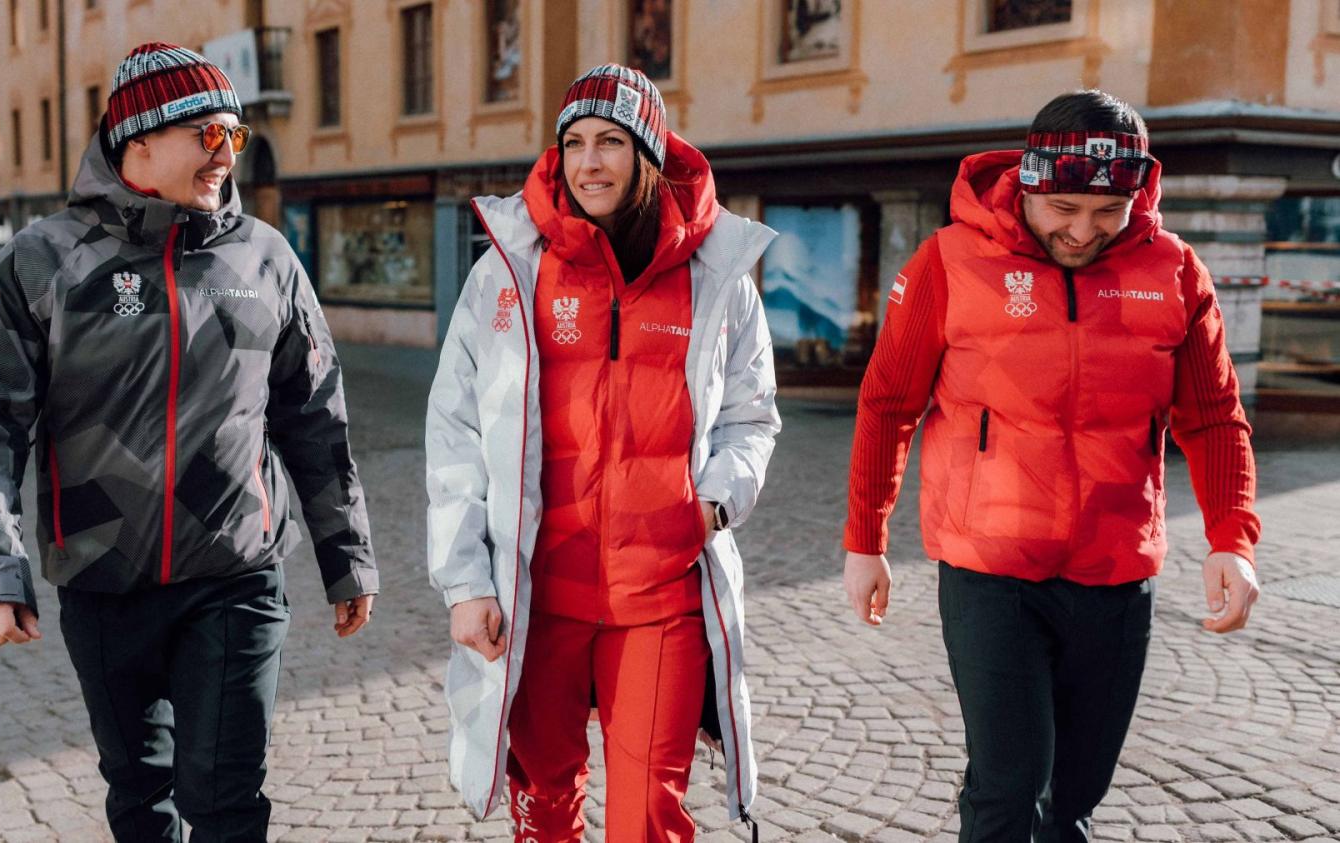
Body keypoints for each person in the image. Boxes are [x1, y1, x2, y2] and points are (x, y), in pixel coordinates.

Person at [0, 42, 377, 842]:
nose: (226, 153)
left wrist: (347, 555)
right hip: (104, 584)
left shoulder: (265, 258)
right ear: (138, 138)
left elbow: (315, 413)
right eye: (208, 133)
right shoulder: (40, 261)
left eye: (234, 135)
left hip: (236, 574)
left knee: (225, 798)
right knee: (140, 798)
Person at [842, 90, 1261, 842]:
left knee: (1073, 799)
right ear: (1030, 182)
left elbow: (1214, 416)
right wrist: (864, 540)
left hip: (1116, 573)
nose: (1083, 230)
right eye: (1064, 208)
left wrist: (1232, 538)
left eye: (1109, 212)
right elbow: (888, 403)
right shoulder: (949, 261)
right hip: (990, 571)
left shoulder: (1174, 271)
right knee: (1008, 788)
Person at [426, 63, 780, 841]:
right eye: (575, 143)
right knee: (544, 803)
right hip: (537, 596)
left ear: (648, 154)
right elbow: (455, 430)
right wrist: (465, 582)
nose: (589, 162)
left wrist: (714, 502)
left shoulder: (718, 276)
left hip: (660, 598)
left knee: (649, 812)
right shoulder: (508, 272)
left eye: (611, 142)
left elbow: (751, 416)